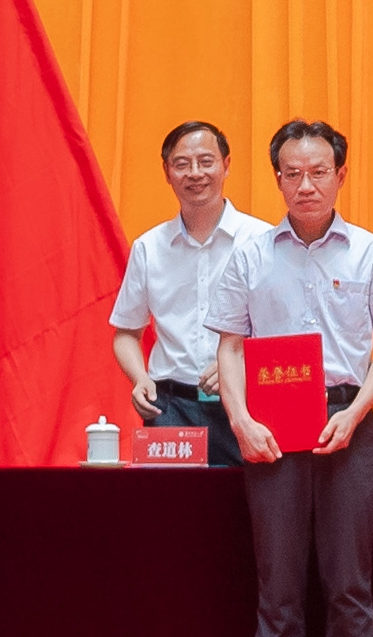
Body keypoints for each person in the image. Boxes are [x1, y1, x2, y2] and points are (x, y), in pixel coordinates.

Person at [205, 120, 373, 637]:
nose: (306, 185)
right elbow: (230, 346)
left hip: (347, 420)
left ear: (340, 175)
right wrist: (241, 420)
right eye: (293, 173)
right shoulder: (250, 255)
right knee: (278, 581)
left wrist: (356, 414)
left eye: (319, 172)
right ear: (277, 178)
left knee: (349, 580)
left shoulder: (372, 253)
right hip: (270, 427)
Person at [109, 121, 272, 466]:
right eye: (182, 164)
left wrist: (240, 364)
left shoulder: (263, 242)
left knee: (245, 499)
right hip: (170, 408)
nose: (195, 173)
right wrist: (140, 378)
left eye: (206, 161)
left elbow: (285, 330)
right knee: (170, 500)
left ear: (226, 165)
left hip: (245, 404)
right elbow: (126, 333)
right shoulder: (149, 248)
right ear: (167, 173)